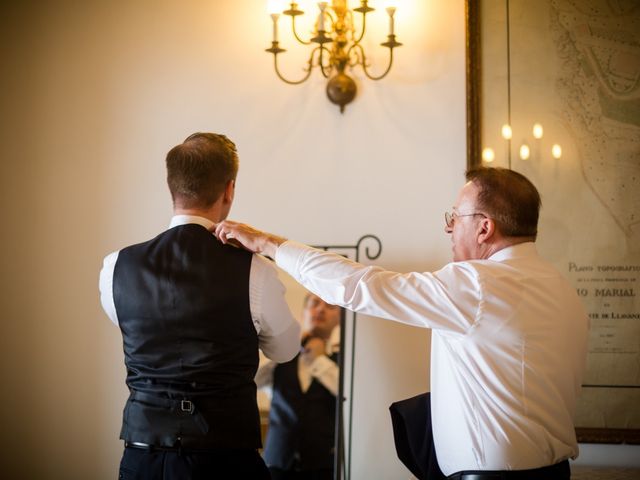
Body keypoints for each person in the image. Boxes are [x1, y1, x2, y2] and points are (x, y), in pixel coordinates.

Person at [213, 167, 589, 480]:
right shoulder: (562, 291)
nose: (448, 228)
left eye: (455, 217)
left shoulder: (477, 283)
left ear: (484, 228)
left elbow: (361, 287)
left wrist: (268, 244)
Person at [98, 132, 301, 479]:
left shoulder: (116, 267)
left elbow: (136, 330)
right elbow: (286, 350)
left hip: (143, 460)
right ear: (229, 190)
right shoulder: (255, 269)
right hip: (224, 462)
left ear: (171, 188)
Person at [256, 293, 341, 480]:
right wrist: (288, 348)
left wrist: (319, 359)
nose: (320, 309)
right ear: (304, 312)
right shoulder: (281, 357)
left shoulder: (343, 363)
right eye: (315, 303)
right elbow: (252, 380)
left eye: (330, 306)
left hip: (322, 467)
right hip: (277, 464)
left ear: (339, 319)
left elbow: (346, 395)